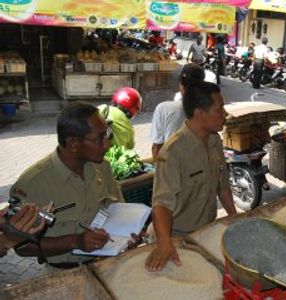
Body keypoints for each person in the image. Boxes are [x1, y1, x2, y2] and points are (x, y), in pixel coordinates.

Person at [11, 102, 135, 271]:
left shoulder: (102, 168)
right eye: (100, 138)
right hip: (63, 275)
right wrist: (74, 242)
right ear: (74, 144)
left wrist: (130, 232)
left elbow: (119, 211)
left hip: (105, 265)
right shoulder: (33, 184)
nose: (107, 144)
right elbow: (21, 247)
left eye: (107, 134)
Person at [146, 81, 237, 271]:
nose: (225, 115)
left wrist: (234, 218)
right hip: (176, 238)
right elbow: (161, 205)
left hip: (205, 232)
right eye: (219, 110)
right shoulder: (172, 153)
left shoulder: (214, 140)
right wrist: (165, 244)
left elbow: (223, 186)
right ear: (199, 114)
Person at [151, 63, 216, 161]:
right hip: (200, 165)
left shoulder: (164, 108)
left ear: (181, 84)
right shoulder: (209, 109)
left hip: (173, 167)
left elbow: (157, 147)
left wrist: (159, 172)